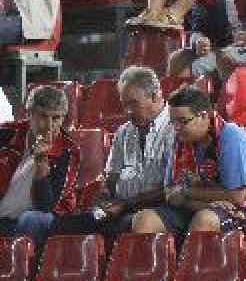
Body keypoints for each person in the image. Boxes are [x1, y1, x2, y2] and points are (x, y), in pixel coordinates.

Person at [130, 85, 246, 239]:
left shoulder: (231, 138)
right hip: (198, 204)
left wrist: (186, 193)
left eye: (183, 121)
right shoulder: (179, 140)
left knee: (204, 220)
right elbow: (172, 192)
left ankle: (194, 256)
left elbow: (236, 196)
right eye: (173, 122)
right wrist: (190, 200)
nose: (176, 128)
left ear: (204, 116)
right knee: (144, 220)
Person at [48, 67, 173, 240]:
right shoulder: (124, 131)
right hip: (120, 208)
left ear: (155, 96)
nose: (128, 111)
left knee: (130, 224)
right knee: (60, 226)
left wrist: (126, 204)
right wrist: (104, 195)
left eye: (134, 103)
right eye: (125, 104)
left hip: (156, 209)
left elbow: (171, 189)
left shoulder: (175, 128)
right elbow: (111, 178)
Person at [0, 85, 78, 245]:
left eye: (56, 118)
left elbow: (46, 206)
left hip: (39, 219)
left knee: (31, 219)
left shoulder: (67, 151)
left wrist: (41, 164)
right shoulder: (6, 134)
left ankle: (23, 260)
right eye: (43, 116)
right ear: (29, 115)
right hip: (3, 217)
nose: (49, 125)